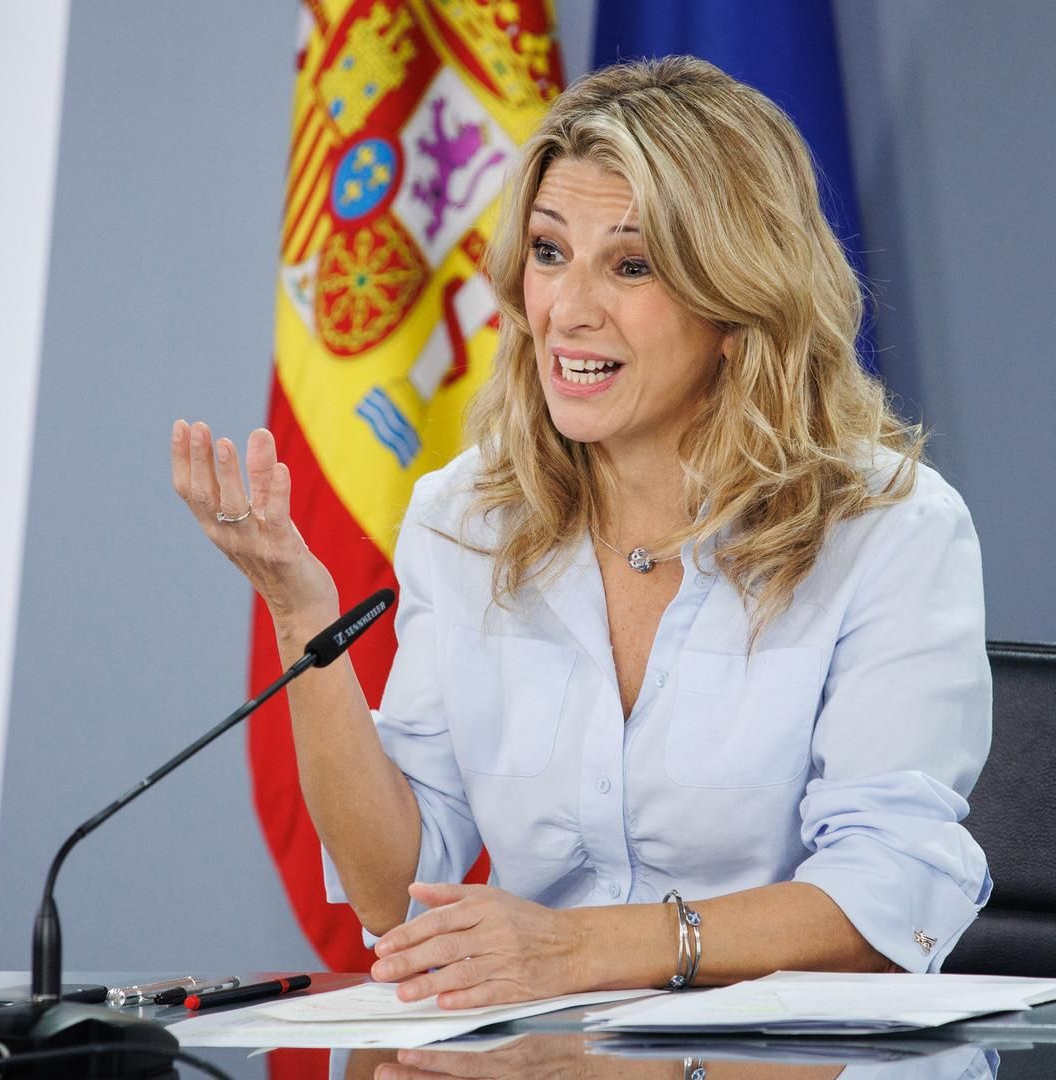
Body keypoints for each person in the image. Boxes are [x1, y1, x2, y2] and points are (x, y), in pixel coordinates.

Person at [171, 56, 991, 1009]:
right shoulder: (466, 520)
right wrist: (299, 611)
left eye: (630, 265)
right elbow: (395, 892)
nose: (569, 308)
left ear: (736, 302)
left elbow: (894, 899)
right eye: (550, 253)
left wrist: (582, 950)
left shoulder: (888, 529)